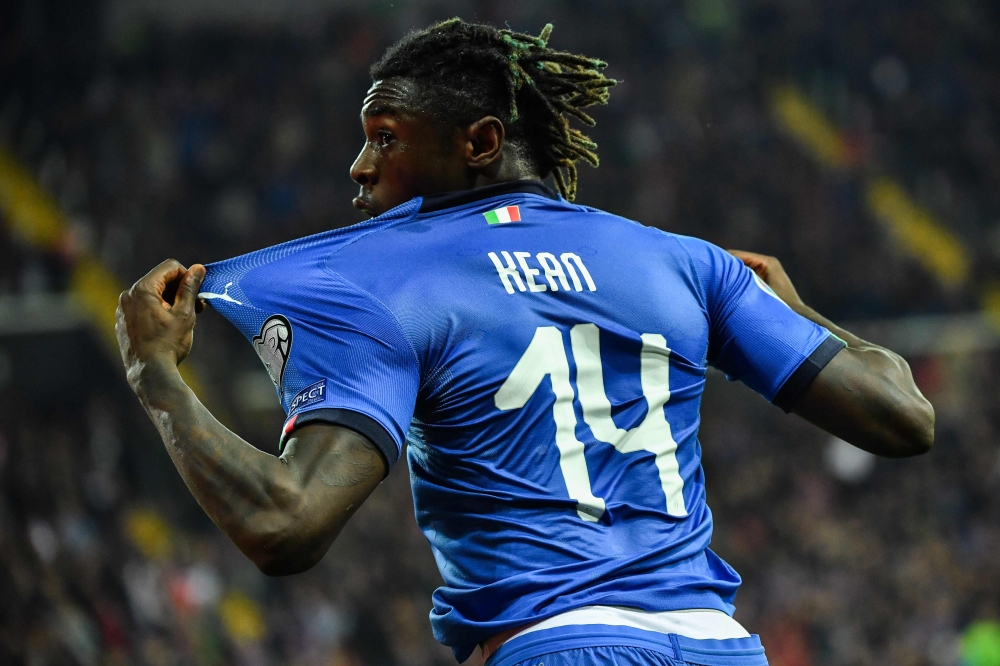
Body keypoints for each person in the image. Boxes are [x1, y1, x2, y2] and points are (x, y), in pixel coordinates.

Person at [116, 19, 934, 666]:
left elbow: (285, 525)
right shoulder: (688, 264)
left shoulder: (382, 283)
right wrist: (801, 315)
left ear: (477, 143)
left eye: (385, 136)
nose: (360, 166)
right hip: (719, 646)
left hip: (552, 644)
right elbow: (905, 416)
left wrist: (156, 376)